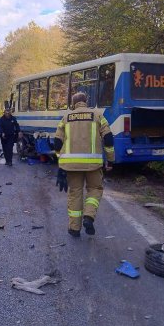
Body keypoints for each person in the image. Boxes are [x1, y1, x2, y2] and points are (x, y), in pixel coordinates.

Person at [54, 92, 115, 237]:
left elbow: (57, 143)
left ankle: (74, 229)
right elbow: (108, 139)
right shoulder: (98, 115)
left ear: (73, 103)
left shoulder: (66, 118)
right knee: (94, 189)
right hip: (93, 165)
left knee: (75, 194)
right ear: (86, 101)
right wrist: (111, 160)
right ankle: (89, 216)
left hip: (71, 166)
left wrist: (61, 164)